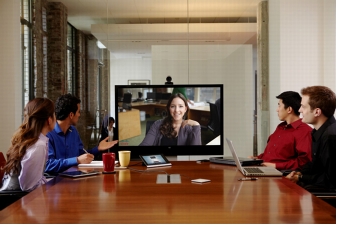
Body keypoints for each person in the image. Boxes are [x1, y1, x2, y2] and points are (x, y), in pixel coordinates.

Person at [45, 94, 118, 174]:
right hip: (56, 182)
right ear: (71, 115)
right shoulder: (48, 134)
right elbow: (48, 165)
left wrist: (98, 148)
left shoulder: (74, 131)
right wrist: (76, 160)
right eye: (79, 112)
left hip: (75, 179)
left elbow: (82, 156)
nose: (79, 115)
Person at [286, 86, 336, 191]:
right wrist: (300, 173)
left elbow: (331, 180)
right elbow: (315, 164)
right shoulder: (317, 131)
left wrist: (300, 177)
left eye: (303, 107)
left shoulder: (331, 136)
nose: (300, 110)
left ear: (317, 112)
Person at [1, 98, 56, 191]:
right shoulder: (39, 145)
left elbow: (34, 181)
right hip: (16, 201)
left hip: (12, 196)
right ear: (49, 120)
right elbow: (29, 187)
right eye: (55, 114)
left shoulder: (31, 140)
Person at [250, 91, 312, 171]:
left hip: (280, 174)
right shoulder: (281, 127)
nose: (277, 110)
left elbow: (304, 162)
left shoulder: (304, 131)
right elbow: (273, 155)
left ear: (289, 109)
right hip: (265, 169)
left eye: (279, 106)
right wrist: (256, 159)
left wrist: (276, 166)